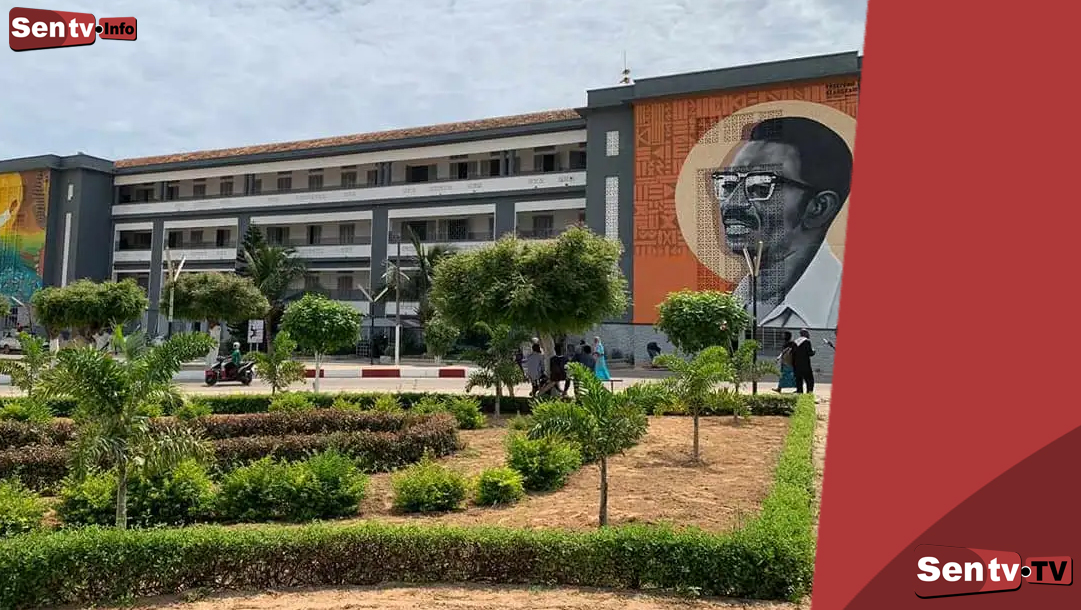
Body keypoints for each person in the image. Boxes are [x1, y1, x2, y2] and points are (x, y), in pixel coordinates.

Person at [713, 116, 853, 330]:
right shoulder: (735, 302)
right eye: (729, 185)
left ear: (819, 208)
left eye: (760, 187)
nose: (733, 203)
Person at [791, 329, 816, 394]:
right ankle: (809, 394)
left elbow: (792, 354)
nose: (809, 334)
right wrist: (814, 351)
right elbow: (810, 353)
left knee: (799, 381)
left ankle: (800, 394)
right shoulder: (807, 341)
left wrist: (793, 365)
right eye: (807, 333)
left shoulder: (795, 342)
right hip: (805, 365)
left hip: (796, 365)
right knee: (810, 380)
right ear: (805, 334)